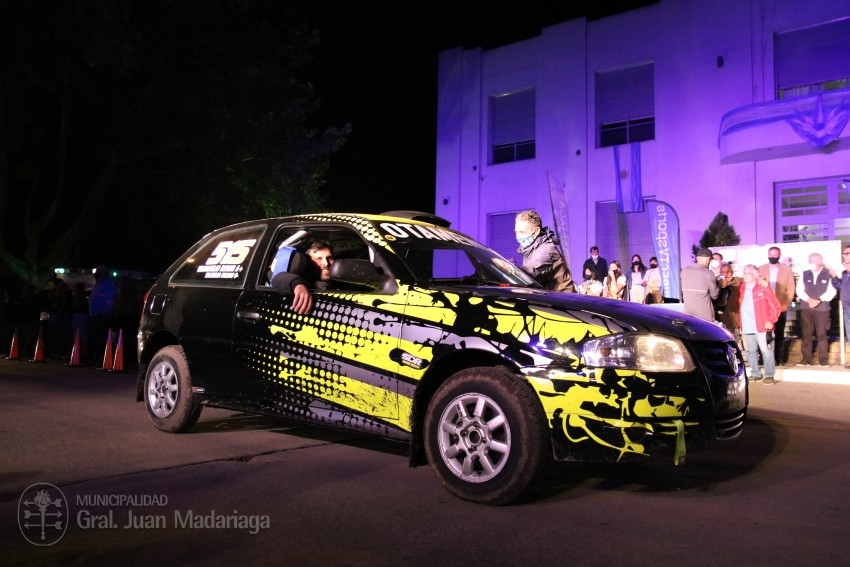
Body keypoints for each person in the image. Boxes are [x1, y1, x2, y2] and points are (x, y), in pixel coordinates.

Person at [738, 264, 782, 384]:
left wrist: (771, 320)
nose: (745, 275)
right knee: (750, 351)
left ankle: (769, 375)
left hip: (762, 326)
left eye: (748, 273)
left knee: (766, 351)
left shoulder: (763, 287)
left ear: (756, 275)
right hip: (746, 326)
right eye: (744, 273)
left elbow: (775, 306)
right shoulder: (741, 287)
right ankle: (755, 373)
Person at [514, 210, 575, 292]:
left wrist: (507, 269)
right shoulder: (531, 248)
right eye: (516, 232)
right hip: (548, 297)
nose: (518, 236)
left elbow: (529, 271)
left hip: (562, 300)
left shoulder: (547, 250)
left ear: (536, 231)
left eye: (522, 232)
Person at [795, 252, 836, 366]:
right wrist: (808, 299)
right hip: (806, 308)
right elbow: (799, 290)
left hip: (822, 309)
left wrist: (819, 300)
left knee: (821, 335)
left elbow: (832, 291)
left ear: (820, 261)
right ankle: (806, 360)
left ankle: (823, 360)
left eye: (813, 261)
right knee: (806, 334)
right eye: (809, 262)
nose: (811, 264)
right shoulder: (805, 273)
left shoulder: (828, 273)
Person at [759, 246, 796, 366]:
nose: (772, 257)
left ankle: (778, 359)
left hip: (780, 307)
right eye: (770, 255)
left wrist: (786, 304)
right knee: (765, 334)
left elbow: (791, 288)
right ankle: (764, 358)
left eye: (775, 255)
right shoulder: (761, 269)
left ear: (779, 255)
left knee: (779, 334)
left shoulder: (786, 270)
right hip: (765, 308)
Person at [681, 248, 719, 321]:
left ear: (697, 258)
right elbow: (714, 295)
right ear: (708, 259)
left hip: (688, 315)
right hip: (704, 317)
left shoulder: (684, 272)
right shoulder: (708, 273)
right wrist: (719, 285)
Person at [89, 266, 117, 364]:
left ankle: (103, 357)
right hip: (95, 315)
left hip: (101, 315)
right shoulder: (99, 283)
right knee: (96, 337)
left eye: (98, 272)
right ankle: (97, 356)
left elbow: (110, 300)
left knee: (101, 337)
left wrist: (106, 312)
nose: (95, 274)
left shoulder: (108, 283)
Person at [830, 245, 850, 369]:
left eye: (847, 253)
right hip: (847, 307)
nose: (845, 255)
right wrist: (834, 277)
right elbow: (840, 286)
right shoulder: (844, 273)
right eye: (844, 253)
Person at [716, 263, 742, 341]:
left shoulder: (739, 282)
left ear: (732, 272)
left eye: (728, 271)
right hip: (720, 320)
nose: (726, 274)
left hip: (734, 319)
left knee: (734, 343)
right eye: (723, 271)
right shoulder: (715, 283)